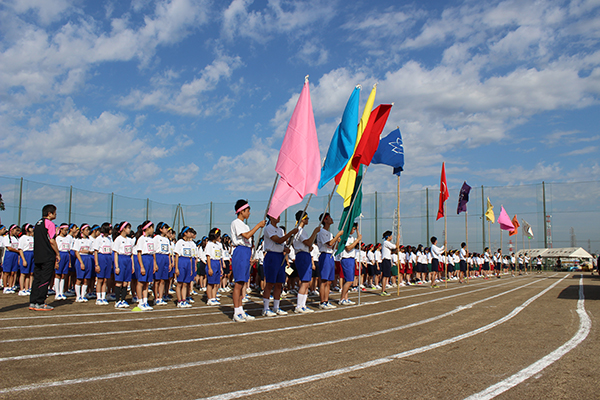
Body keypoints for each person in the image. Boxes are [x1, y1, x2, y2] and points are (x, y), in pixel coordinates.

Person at [230, 199, 265, 322]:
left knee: (243, 283)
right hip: (239, 251)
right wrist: (258, 226)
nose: (249, 213)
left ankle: (241, 311)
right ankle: (236, 312)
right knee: (238, 283)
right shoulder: (236, 223)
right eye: (248, 211)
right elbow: (246, 236)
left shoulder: (245, 225)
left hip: (245, 252)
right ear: (241, 211)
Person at [261, 214, 297, 317]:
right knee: (269, 283)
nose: (279, 217)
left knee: (279, 283)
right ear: (271, 217)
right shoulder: (268, 228)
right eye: (276, 215)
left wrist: (286, 249)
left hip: (280, 256)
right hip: (271, 256)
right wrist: (290, 233)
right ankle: (266, 308)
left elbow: (282, 244)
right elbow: (278, 240)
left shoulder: (280, 230)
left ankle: (276, 307)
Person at [29, 204, 60, 311]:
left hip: (37, 255)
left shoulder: (37, 224)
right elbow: (52, 240)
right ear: (49, 213)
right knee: (45, 279)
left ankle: (33, 301)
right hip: (47, 255)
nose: (56, 214)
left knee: (37, 278)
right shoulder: (50, 224)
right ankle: (40, 302)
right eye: (55, 212)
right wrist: (57, 253)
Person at [316, 213, 343, 309]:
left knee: (329, 282)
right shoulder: (322, 232)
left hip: (331, 256)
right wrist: (337, 236)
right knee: (324, 280)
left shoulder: (330, 233)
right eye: (329, 218)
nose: (331, 219)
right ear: (325, 220)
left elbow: (333, 245)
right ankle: (322, 302)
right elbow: (330, 243)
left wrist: (337, 240)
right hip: (324, 255)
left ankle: (326, 301)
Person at [134, 221, 157, 311]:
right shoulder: (141, 239)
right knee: (140, 282)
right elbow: (139, 253)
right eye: (152, 228)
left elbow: (153, 253)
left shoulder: (151, 239)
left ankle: (145, 301)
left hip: (150, 259)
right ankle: (140, 302)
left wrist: (154, 264)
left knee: (147, 283)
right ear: (147, 228)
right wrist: (142, 266)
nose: (153, 230)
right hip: (143, 259)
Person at [340, 223, 361, 303]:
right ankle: (342, 298)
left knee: (349, 280)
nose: (354, 230)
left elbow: (359, 241)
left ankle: (346, 298)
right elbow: (348, 248)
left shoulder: (351, 237)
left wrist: (358, 231)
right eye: (353, 229)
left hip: (351, 259)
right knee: (349, 280)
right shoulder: (345, 237)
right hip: (346, 259)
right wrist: (357, 240)